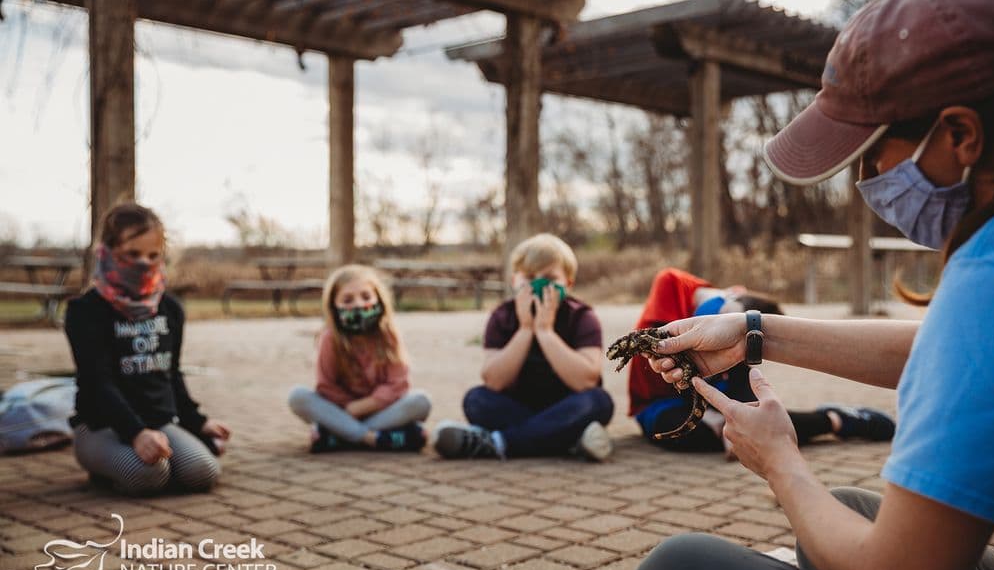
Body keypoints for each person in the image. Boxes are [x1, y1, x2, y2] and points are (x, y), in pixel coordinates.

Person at [633, 0, 994, 570]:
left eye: (872, 152)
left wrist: (781, 463)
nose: (865, 178)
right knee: (843, 518)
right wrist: (754, 332)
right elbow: (951, 354)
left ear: (960, 135)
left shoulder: (986, 280)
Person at [630, 268, 894, 455]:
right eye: (727, 315)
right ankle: (827, 420)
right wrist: (711, 416)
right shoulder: (672, 283)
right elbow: (654, 339)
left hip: (716, 388)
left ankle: (837, 419)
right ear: (733, 293)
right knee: (682, 431)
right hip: (663, 401)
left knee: (756, 421)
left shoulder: (737, 324)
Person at [65, 203, 229, 496]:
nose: (144, 263)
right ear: (108, 252)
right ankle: (105, 467)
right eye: (132, 254)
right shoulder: (85, 311)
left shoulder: (170, 309)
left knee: (202, 473)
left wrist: (198, 422)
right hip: (101, 427)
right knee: (148, 475)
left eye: (153, 255)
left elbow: (171, 373)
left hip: (158, 423)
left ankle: (171, 456)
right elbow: (98, 383)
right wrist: (136, 433)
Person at [432, 233, 614, 460]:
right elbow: (494, 381)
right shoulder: (501, 316)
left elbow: (586, 380)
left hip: (567, 404)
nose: (538, 285)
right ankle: (569, 439)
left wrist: (545, 332)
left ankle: (498, 443)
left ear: (568, 283)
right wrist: (526, 329)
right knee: (476, 400)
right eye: (529, 277)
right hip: (517, 406)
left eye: (549, 278)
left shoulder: (582, 317)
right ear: (514, 281)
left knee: (599, 401)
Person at [288, 264, 431, 453]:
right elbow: (326, 386)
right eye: (348, 300)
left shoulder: (388, 335)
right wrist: (348, 407)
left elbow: (398, 385)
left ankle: (337, 436)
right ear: (334, 306)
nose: (358, 305)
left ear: (378, 299)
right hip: (341, 410)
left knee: (421, 402)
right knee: (297, 397)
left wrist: (362, 408)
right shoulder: (330, 338)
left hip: (378, 410)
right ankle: (372, 438)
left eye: (366, 297)